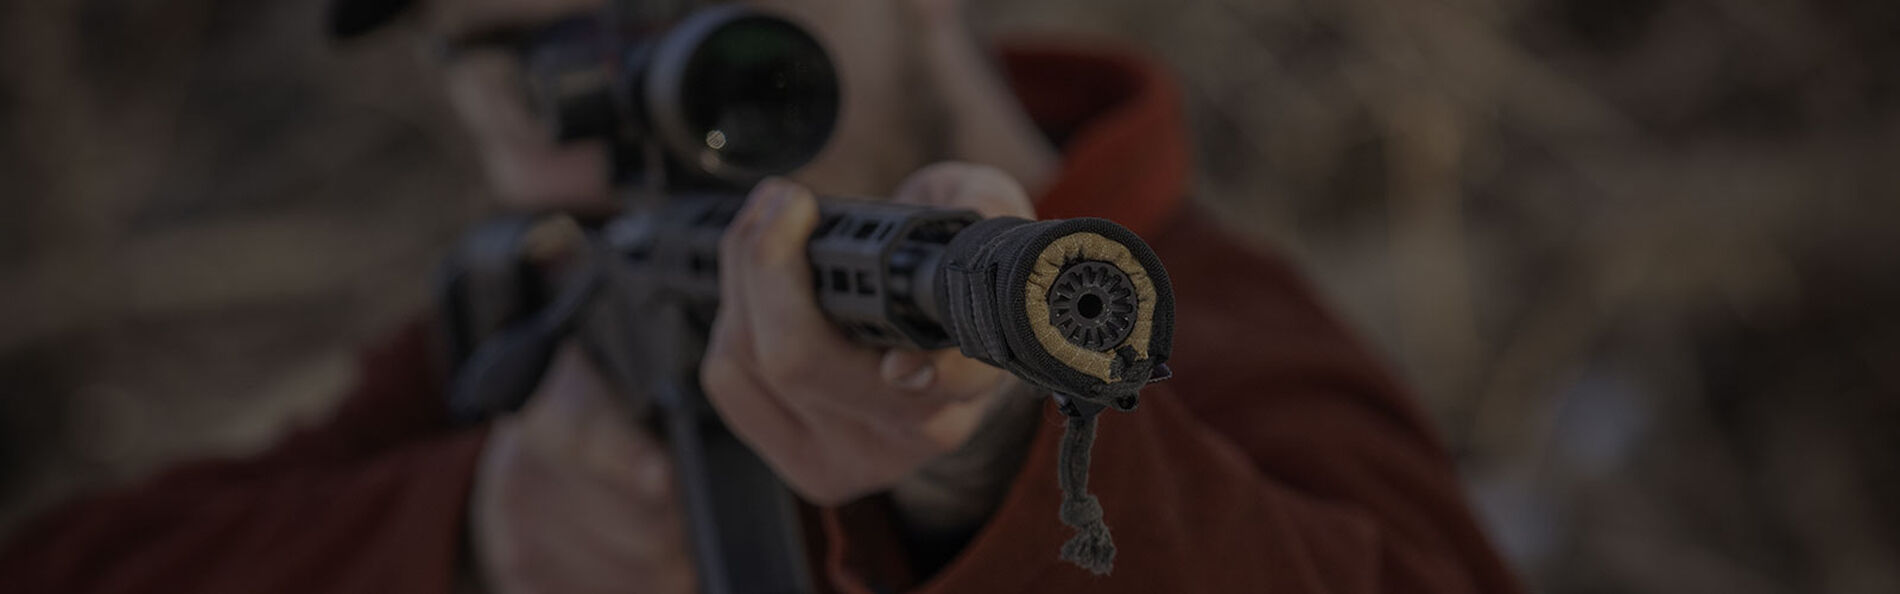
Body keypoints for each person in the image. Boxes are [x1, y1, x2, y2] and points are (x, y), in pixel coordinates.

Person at [0, 0, 1523, 592]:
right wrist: (477, 536)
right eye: (514, 61)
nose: (592, 116)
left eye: (663, 17)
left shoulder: (1200, 321)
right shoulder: (541, 321)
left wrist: (984, 469)